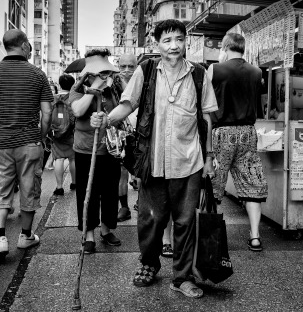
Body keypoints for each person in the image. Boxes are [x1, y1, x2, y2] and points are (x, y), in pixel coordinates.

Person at [91, 19, 218, 298]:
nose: (174, 46)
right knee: (151, 219)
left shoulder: (199, 74)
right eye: (167, 40)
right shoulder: (146, 70)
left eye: (179, 39)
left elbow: (207, 117)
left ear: (186, 42)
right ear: (157, 44)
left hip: (189, 160)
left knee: (185, 221)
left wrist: (209, 156)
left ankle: (182, 276)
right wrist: (107, 120)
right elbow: (128, 104)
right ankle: (149, 263)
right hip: (153, 160)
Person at [0, 29, 53, 261]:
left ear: (5, 46)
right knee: (29, 187)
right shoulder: (37, 74)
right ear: (25, 45)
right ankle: (25, 235)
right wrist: (42, 136)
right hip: (29, 142)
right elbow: (47, 111)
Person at [208, 33, 268, 252]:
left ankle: (211, 234)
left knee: (214, 182)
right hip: (248, 133)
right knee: (252, 182)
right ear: (243, 49)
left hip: (222, 133)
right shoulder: (257, 71)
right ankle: (255, 236)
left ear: (224, 47)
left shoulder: (215, 69)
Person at [69, 48, 122, 254]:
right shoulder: (78, 89)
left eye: (105, 71)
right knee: (87, 192)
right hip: (85, 150)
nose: (103, 75)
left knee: (110, 191)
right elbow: (78, 111)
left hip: (110, 149)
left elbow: (123, 111)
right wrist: (93, 90)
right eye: (97, 71)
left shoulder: (113, 89)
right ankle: (89, 233)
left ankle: (107, 229)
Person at [117, 53, 138, 222]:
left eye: (131, 66)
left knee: (143, 171)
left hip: (141, 133)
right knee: (122, 172)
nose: (126, 70)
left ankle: (142, 201)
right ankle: (124, 207)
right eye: (123, 66)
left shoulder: (144, 82)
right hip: (121, 135)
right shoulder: (113, 84)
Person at [52, 74, 77, 195]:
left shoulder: (54, 98)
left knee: (58, 159)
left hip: (57, 133)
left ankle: (59, 186)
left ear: (59, 83)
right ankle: (74, 182)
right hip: (71, 133)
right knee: (73, 159)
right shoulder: (73, 98)